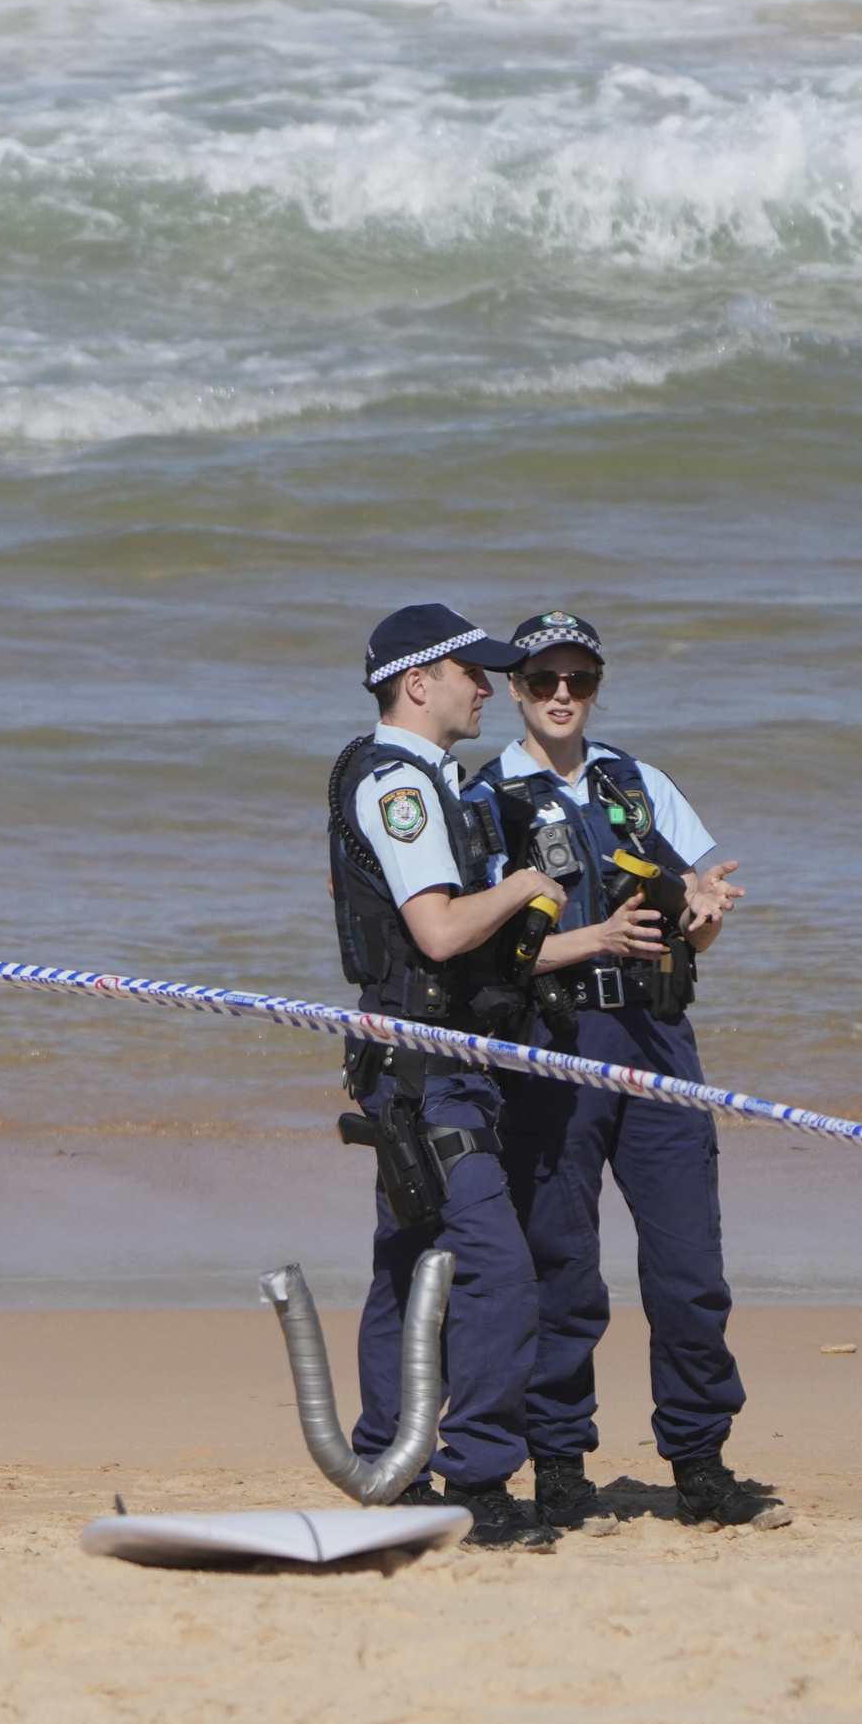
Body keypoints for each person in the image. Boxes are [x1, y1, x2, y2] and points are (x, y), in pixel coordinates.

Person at [325, 605, 659, 1547]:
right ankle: (473, 1478)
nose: (488, 687)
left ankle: (389, 1467)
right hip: (428, 1071)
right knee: (500, 1275)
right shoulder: (401, 786)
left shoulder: (407, 776)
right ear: (418, 682)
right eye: (474, 673)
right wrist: (525, 886)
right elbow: (435, 931)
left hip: (428, 1063)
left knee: (408, 1265)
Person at [467, 612, 774, 1530]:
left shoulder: (637, 783)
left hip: (657, 1037)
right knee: (561, 1265)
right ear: (516, 689)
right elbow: (477, 954)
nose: (563, 694)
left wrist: (708, 910)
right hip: (553, 1044)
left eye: (580, 678)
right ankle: (559, 1464)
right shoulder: (486, 800)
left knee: (689, 1265)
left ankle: (701, 1462)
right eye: (544, 678)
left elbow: (698, 915)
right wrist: (587, 940)